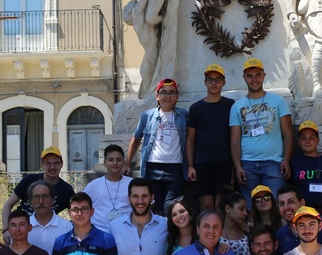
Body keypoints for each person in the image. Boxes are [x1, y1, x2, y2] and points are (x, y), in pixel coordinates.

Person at [230, 58, 293, 201]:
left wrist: (286, 160)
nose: (254, 80)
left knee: (276, 206)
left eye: (258, 75)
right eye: (250, 76)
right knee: (251, 208)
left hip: (274, 163)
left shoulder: (278, 101)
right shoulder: (236, 106)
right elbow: (234, 140)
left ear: (264, 75)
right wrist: (238, 166)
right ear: (244, 78)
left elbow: (288, 134)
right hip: (248, 165)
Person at [127, 78, 188, 213]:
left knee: (171, 207)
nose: (167, 96)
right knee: (154, 207)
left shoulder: (184, 115)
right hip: (152, 167)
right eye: (163, 92)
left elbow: (190, 141)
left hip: (175, 168)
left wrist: (190, 166)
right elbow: (136, 138)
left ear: (177, 96)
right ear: (157, 95)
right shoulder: (147, 116)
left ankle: (170, 234)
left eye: (172, 93)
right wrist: (127, 163)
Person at [187, 64, 236, 211]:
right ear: (205, 82)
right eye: (210, 80)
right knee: (206, 205)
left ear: (224, 82)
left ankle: (222, 234)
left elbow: (235, 135)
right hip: (202, 162)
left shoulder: (230, 105)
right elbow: (190, 139)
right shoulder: (196, 108)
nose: (214, 83)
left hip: (224, 161)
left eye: (218, 80)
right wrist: (190, 166)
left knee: (222, 205)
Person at [1, 146, 76, 237]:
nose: (52, 167)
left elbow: (76, 212)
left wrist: (70, 229)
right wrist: (6, 230)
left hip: (44, 232)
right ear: (42, 165)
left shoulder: (66, 190)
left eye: (56, 163)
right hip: (19, 231)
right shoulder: (29, 180)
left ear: (62, 164)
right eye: (48, 163)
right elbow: (8, 204)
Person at [87, 144, 133, 231]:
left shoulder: (132, 184)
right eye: (111, 160)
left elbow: (149, 203)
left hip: (127, 232)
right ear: (104, 163)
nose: (115, 163)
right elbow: (82, 205)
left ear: (123, 162)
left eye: (118, 160)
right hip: (100, 233)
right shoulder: (93, 186)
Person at [25, 180, 71, 255]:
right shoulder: (23, 228)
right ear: (30, 201)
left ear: (53, 199)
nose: (41, 201)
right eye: (36, 197)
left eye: (45, 196)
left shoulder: (67, 227)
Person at [220, 191, 252, 255]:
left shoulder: (247, 234)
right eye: (241, 209)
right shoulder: (215, 235)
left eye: (245, 209)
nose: (245, 213)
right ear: (228, 209)